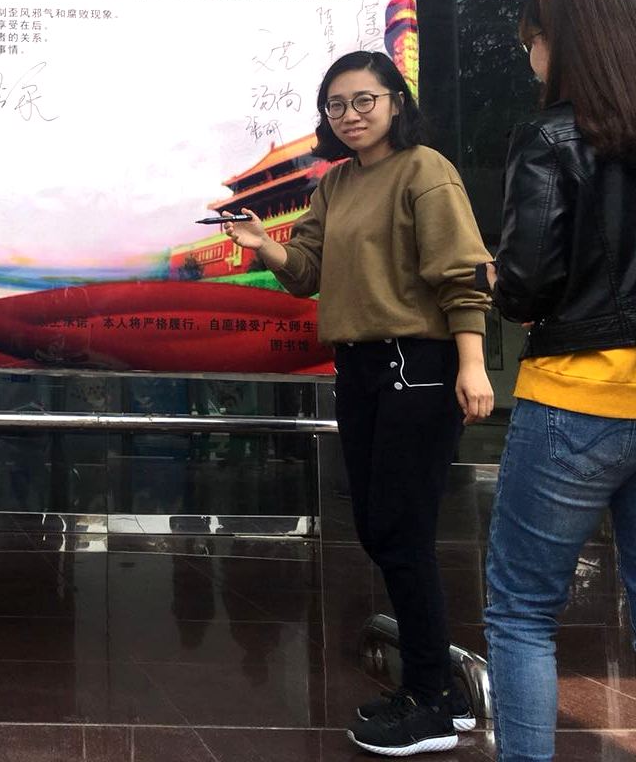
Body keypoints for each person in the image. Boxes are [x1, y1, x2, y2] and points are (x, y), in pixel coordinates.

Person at [222, 50, 494, 757]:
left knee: (401, 530)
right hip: (361, 365)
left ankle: (431, 702)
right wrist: (263, 245)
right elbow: (306, 272)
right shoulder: (337, 183)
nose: (350, 115)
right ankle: (439, 692)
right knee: (378, 527)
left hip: (418, 362)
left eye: (364, 100)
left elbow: (463, 275)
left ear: (396, 101)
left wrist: (472, 365)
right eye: (337, 105)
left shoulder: (425, 170)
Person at [484, 0, 636, 762]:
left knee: (522, 612)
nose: (530, 58)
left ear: (566, 42)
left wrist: (495, 279)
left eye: (533, 42)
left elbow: (527, 285)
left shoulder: (550, 136)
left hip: (578, 399)